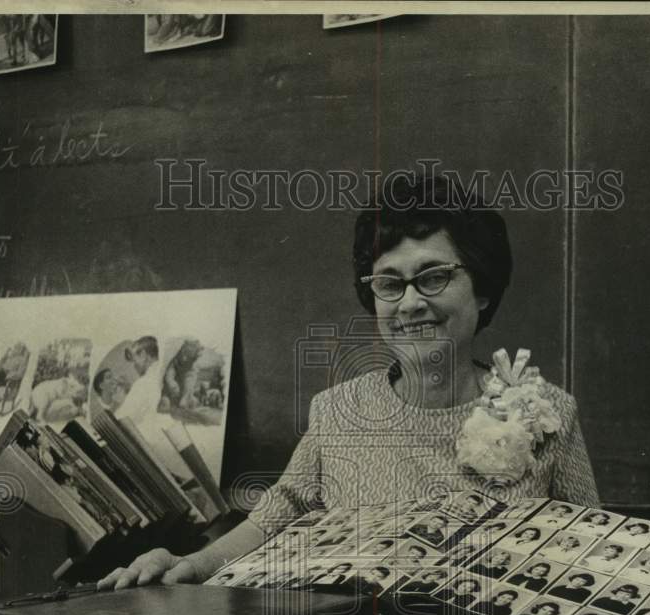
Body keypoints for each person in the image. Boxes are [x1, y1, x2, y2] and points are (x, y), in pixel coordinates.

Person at [99, 174, 600, 591]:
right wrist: (192, 563)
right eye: (389, 284)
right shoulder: (339, 411)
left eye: (433, 277)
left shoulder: (548, 411)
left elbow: (597, 553)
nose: (409, 304)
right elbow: (275, 516)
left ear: (484, 290)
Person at [116, 336, 162, 422]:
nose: (134, 365)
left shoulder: (143, 384)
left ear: (143, 355)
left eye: (134, 359)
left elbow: (122, 418)